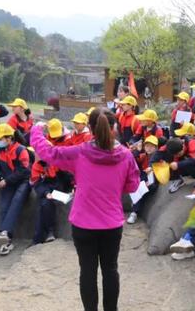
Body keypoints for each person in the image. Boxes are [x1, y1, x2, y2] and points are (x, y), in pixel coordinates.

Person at [30, 108, 139, 311]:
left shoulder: (80, 153)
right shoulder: (126, 156)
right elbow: (132, 185)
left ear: (90, 128)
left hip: (83, 224)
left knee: (87, 271)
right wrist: (114, 188)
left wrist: (36, 130)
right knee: (110, 269)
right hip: (112, 224)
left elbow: (48, 153)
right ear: (114, 127)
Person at [0, 124, 32, 255]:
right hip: (9, 182)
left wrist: (6, 181)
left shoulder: (21, 150)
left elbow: (24, 171)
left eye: (0, 138)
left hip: (23, 182)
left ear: (9, 138)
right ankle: (6, 240)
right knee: (4, 206)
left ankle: (4, 233)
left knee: (16, 201)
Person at [30, 119, 73, 245]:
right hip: (47, 187)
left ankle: (40, 238)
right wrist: (46, 192)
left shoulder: (60, 152)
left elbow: (66, 175)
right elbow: (36, 182)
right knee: (45, 202)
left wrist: (73, 187)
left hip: (58, 184)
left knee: (44, 204)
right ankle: (47, 233)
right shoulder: (38, 164)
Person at [168, 122, 195, 193]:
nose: (180, 136)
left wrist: (178, 164)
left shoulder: (192, 142)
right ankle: (179, 179)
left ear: (190, 134)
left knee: (192, 167)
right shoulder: (183, 140)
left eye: (183, 134)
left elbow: (193, 160)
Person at [127, 135, 160, 224]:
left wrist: (150, 182)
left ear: (156, 148)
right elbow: (133, 159)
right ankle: (134, 210)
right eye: (147, 146)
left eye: (151, 146)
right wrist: (137, 150)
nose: (148, 148)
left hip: (153, 179)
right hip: (143, 178)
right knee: (138, 187)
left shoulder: (159, 158)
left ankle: (134, 212)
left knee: (141, 189)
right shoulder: (144, 156)